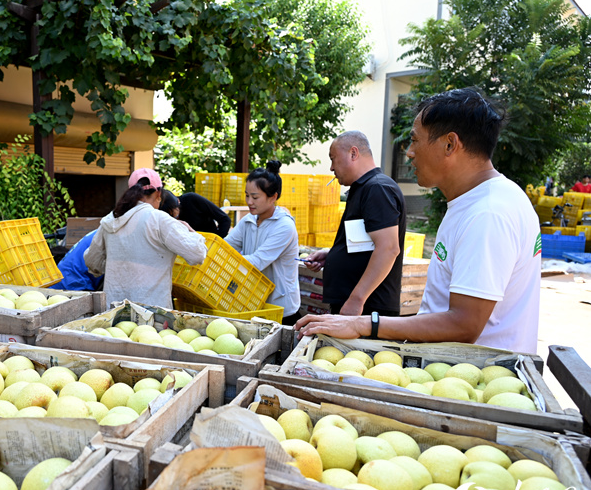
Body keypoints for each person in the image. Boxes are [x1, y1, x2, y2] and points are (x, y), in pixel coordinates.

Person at [296, 88, 541, 354]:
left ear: (450, 144)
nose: (409, 152)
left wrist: (365, 324)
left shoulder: (488, 213)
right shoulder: (477, 201)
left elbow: (464, 325)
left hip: (474, 378)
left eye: (415, 140)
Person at [303, 131, 406, 316]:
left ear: (353, 153)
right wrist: (333, 254)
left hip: (368, 309)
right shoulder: (363, 188)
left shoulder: (377, 189)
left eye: (333, 159)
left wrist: (357, 299)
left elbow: (388, 248)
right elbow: (367, 243)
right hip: (355, 306)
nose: (331, 168)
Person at [84, 168, 207, 309]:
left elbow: (92, 261)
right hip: (152, 314)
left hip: (114, 311)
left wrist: (117, 267)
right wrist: (191, 232)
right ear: (158, 194)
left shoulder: (110, 220)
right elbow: (197, 254)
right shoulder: (159, 220)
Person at [225, 161, 301, 325]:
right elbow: (226, 246)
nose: (249, 202)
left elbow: (257, 261)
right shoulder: (248, 220)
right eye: (247, 195)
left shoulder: (284, 226)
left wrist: (225, 259)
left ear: (273, 197)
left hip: (279, 308)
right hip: (252, 302)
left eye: (255, 197)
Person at [159, 190, 231, 237]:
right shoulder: (162, 215)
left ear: (178, 201)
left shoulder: (191, 199)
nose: (177, 219)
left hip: (208, 243)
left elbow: (225, 219)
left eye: (176, 216)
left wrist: (216, 241)